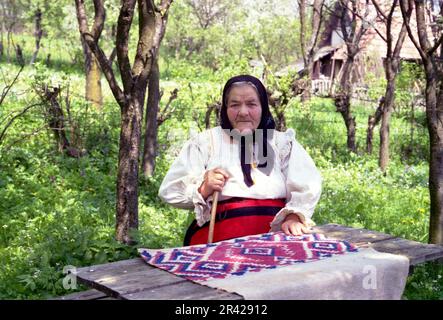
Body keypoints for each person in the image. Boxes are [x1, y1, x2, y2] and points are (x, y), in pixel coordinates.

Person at [158, 75, 322, 246]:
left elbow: (307, 184)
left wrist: (294, 216)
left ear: (263, 107)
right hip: (219, 240)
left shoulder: (282, 144)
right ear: (225, 108)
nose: (243, 112)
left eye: (251, 104)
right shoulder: (206, 142)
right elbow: (170, 191)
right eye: (235, 105)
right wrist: (204, 188)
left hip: (275, 238)